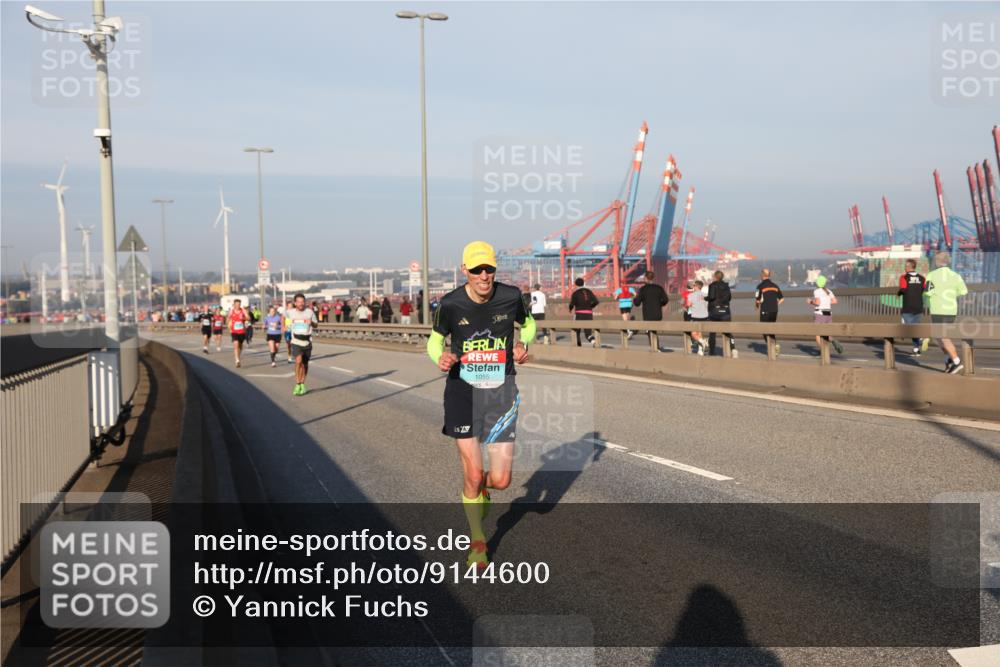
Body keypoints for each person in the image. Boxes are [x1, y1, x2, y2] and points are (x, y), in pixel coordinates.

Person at [427, 241, 534, 570]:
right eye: (476, 270)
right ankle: (478, 542)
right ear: (465, 271)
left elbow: (528, 325)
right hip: (462, 392)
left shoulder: (511, 296)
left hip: (501, 392)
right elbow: (434, 340)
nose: (484, 276)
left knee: (500, 480)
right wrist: (440, 357)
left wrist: (522, 343)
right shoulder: (450, 304)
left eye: (488, 269)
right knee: (473, 472)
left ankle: (479, 492)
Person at [924, 252, 968, 374]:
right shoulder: (956, 275)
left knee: (943, 337)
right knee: (939, 336)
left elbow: (928, 292)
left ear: (937, 262)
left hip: (938, 310)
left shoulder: (931, 275)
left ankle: (956, 361)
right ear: (947, 261)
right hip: (951, 310)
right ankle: (948, 359)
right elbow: (963, 291)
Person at [288, 293, 319, 395]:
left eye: (302, 302)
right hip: (296, 341)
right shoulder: (290, 312)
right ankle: (297, 383)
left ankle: (302, 383)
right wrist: (284, 327)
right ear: (295, 303)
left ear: (304, 302)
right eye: (299, 302)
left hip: (307, 341)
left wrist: (311, 322)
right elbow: (283, 318)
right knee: (298, 361)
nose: (301, 304)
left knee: (305, 364)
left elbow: (316, 325)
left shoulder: (310, 312)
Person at [897, 259, 927, 356]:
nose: (904, 268)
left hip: (908, 307)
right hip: (919, 307)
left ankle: (921, 338)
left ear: (908, 267)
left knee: (908, 328)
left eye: (905, 266)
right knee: (915, 328)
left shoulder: (904, 277)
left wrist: (898, 294)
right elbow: (924, 289)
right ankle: (916, 350)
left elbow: (903, 289)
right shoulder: (922, 278)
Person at [632, 271, 669, 350]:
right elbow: (666, 300)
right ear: (653, 278)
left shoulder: (643, 289)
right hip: (658, 314)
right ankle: (656, 347)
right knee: (653, 330)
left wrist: (635, 297)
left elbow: (637, 303)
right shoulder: (659, 288)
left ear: (645, 278)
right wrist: (659, 304)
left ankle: (655, 348)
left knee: (649, 331)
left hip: (648, 315)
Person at [808, 275, 844, 355]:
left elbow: (817, 303)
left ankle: (823, 351)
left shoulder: (816, 291)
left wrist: (810, 302)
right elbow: (835, 301)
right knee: (826, 333)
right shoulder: (829, 291)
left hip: (820, 313)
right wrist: (826, 302)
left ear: (818, 283)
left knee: (817, 334)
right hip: (829, 314)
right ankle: (833, 340)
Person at [706, 271, 737, 358]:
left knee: (712, 333)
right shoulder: (726, 286)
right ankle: (733, 349)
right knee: (728, 332)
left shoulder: (712, 285)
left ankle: (712, 351)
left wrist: (705, 298)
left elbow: (711, 297)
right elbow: (729, 298)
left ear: (715, 277)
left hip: (714, 311)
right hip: (726, 311)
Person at [754, 269, 785, 356]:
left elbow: (757, 300)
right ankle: (774, 347)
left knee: (764, 330)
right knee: (771, 329)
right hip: (774, 311)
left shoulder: (760, 286)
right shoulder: (775, 286)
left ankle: (773, 347)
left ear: (762, 275)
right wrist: (776, 305)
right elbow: (782, 299)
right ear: (769, 275)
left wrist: (757, 306)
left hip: (765, 311)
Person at [568, 277, 599, 347]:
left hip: (579, 314)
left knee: (576, 330)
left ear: (576, 285)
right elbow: (596, 302)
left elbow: (571, 304)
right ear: (583, 283)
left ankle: (578, 346)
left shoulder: (575, 293)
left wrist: (570, 309)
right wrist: (591, 307)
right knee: (588, 333)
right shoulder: (589, 291)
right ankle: (594, 342)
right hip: (589, 314)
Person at [688, 280, 709, 354]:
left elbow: (688, 305)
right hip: (705, 316)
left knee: (693, 333)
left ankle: (703, 341)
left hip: (696, 316)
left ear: (696, 286)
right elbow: (707, 304)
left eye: (694, 285)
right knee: (699, 333)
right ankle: (700, 350)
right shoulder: (705, 295)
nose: (693, 287)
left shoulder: (691, 295)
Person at [227, 299, 249, 368]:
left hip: (242, 331)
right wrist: (229, 324)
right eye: (236, 304)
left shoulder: (243, 310)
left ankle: (238, 357)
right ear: (234, 304)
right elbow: (228, 318)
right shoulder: (231, 311)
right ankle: (237, 360)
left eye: (239, 304)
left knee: (240, 346)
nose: (237, 306)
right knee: (236, 344)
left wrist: (244, 318)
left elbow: (249, 318)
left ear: (240, 304)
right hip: (234, 331)